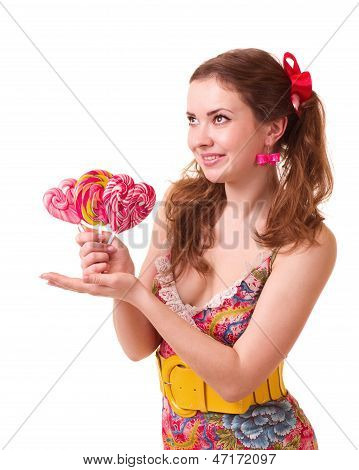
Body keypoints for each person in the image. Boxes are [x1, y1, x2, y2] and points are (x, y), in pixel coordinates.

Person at [40, 48, 337, 450]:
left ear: (273, 128)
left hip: (264, 448)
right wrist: (121, 280)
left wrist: (138, 294)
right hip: (179, 444)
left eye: (220, 119)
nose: (199, 139)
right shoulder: (181, 208)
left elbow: (236, 379)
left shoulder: (305, 244)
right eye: (192, 120)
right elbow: (138, 347)